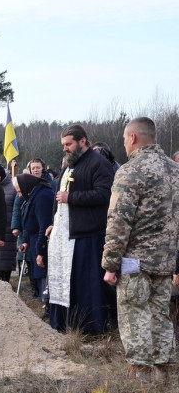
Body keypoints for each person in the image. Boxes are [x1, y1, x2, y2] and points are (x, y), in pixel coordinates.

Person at [101, 117, 179, 381]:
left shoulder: (130, 171)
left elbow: (118, 222)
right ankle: (164, 374)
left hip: (134, 263)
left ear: (132, 138)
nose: (124, 144)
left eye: (124, 139)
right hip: (165, 263)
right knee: (160, 316)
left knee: (135, 316)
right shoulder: (175, 171)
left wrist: (111, 264)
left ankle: (141, 378)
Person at [45, 124, 116, 334]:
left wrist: (72, 198)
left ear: (82, 141)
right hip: (65, 234)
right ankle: (63, 323)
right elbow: (58, 200)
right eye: (63, 145)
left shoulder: (98, 163)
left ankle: (89, 327)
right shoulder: (68, 165)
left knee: (86, 285)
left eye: (69, 144)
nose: (65, 149)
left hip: (88, 234)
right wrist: (53, 222)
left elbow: (104, 195)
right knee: (66, 280)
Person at [17, 172, 53, 300]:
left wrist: (40, 250)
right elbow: (28, 222)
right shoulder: (32, 196)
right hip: (33, 242)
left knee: (45, 280)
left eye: (20, 191)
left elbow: (44, 225)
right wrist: (25, 241)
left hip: (42, 243)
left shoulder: (42, 196)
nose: (20, 195)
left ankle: (47, 305)